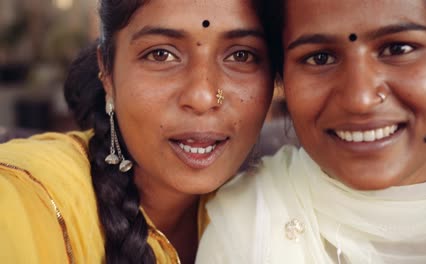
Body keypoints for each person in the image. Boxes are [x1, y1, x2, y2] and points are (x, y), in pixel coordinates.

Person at [0, 0, 277, 263]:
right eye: (161, 54)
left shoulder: (280, 209)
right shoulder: (27, 198)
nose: (203, 97)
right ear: (106, 72)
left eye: (241, 55)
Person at [196, 0, 426, 263]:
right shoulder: (248, 223)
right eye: (320, 57)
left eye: (397, 49)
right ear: (283, 80)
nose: (359, 99)